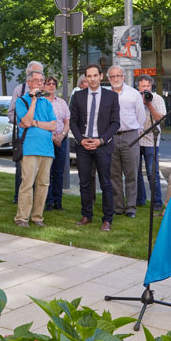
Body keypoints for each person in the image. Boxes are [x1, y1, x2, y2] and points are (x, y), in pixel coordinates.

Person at [69, 64, 120, 232]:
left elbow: (115, 123)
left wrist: (101, 140)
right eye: (88, 76)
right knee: (84, 182)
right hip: (83, 144)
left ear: (101, 76)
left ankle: (107, 219)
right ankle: (86, 215)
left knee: (106, 183)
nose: (92, 79)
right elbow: (73, 121)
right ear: (85, 78)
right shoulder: (78, 96)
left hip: (102, 145)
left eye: (95, 75)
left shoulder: (111, 96)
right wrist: (80, 139)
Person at [14, 70, 57, 227]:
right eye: (36, 80)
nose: (40, 83)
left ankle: (37, 217)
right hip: (30, 148)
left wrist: (36, 123)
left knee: (43, 185)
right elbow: (25, 121)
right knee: (27, 184)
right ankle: (22, 218)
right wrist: (33, 100)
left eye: (41, 81)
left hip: (47, 149)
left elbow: (53, 125)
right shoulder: (22, 101)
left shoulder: (47, 102)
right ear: (29, 83)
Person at [107, 66, 146, 218]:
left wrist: (135, 133)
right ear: (109, 78)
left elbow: (141, 117)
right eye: (112, 76)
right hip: (111, 137)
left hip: (130, 135)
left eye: (118, 76)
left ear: (123, 77)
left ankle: (131, 208)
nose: (116, 79)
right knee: (114, 174)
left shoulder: (133, 94)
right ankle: (118, 207)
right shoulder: (105, 94)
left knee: (131, 173)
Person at [9, 60, 44, 203]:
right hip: (24, 137)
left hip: (41, 136)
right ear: (27, 76)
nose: (38, 80)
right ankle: (19, 198)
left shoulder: (44, 92)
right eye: (34, 75)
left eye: (41, 75)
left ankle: (38, 201)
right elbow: (11, 113)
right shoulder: (20, 90)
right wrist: (23, 122)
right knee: (22, 170)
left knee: (40, 172)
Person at [136, 74, 166, 213]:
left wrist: (149, 104)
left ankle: (157, 202)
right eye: (143, 86)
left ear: (151, 86)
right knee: (136, 173)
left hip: (151, 140)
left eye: (148, 86)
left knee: (152, 173)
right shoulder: (135, 98)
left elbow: (160, 118)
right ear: (138, 87)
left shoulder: (157, 98)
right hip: (136, 139)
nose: (145, 89)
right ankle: (139, 200)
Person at [44, 76, 70, 212]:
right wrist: (53, 137)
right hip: (47, 140)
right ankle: (48, 201)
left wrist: (61, 135)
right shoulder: (41, 102)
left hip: (61, 140)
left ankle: (58, 201)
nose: (51, 86)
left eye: (53, 84)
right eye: (48, 84)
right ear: (43, 86)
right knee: (47, 172)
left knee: (59, 172)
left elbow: (67, 122)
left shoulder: (61, 102)